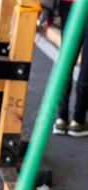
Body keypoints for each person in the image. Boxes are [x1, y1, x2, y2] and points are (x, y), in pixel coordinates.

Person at [41, 0, 88, 137]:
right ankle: (78, 121)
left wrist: (45, 8)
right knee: (86, 64)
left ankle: (61, 118)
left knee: (66, 60)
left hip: (69, 4)